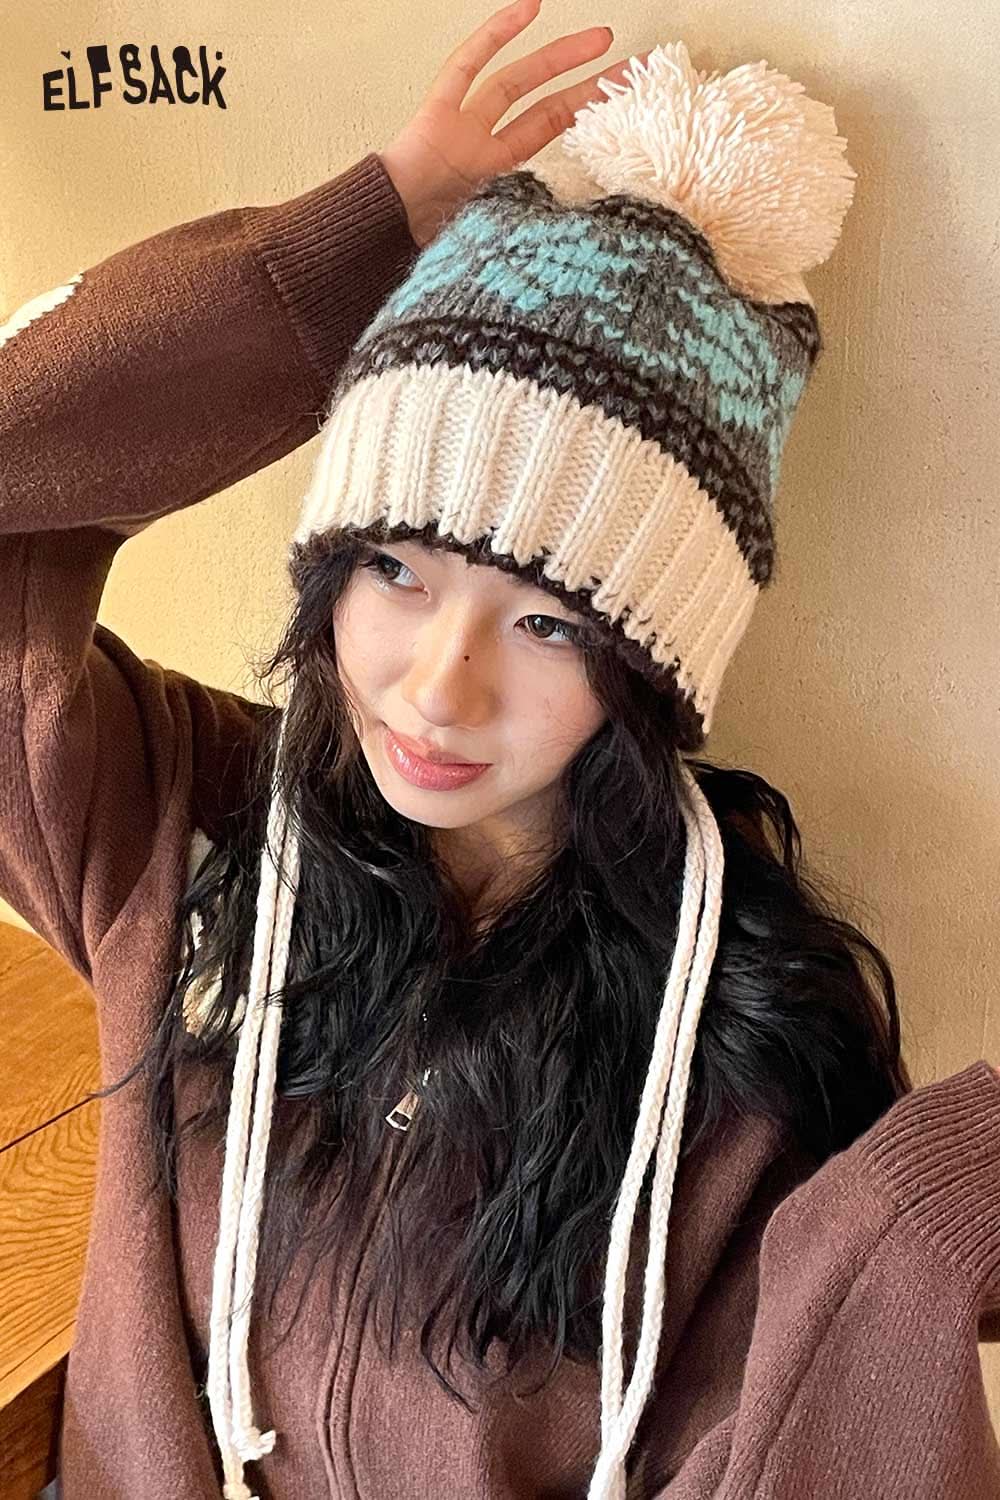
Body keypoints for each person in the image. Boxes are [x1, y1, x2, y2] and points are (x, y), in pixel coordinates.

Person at [3, 4, 1000, 1498]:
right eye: (391, 569)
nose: (437, 688)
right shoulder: (189, 829)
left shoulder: (743, 1033)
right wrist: (353, 244)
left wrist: (921, 1224)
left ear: (647, 666)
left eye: (546, 623)